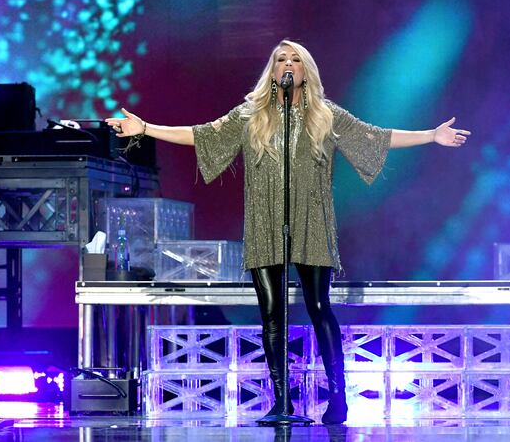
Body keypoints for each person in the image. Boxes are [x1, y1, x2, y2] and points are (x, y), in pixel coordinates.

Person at [106, 39, 470, 424]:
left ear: (305, 70)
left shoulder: (325, 115)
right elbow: (203, 134)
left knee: (318, 306)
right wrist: (145, 128)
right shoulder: (251, 115)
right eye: (281, 59)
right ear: (273, 70)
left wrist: (430, 135)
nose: (288, 64)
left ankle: (338, 397)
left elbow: (374, 136)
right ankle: (282, 401)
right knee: (271, 314)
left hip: (312, 221)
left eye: (295, 59)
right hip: (265, 222)